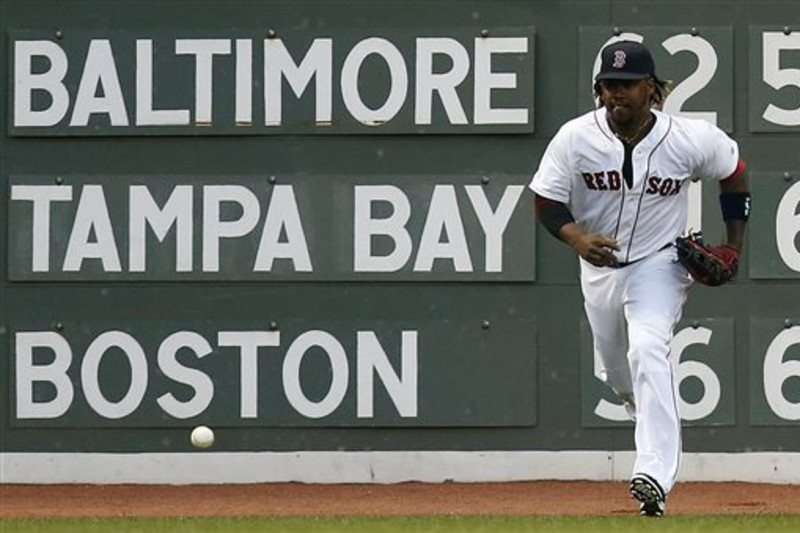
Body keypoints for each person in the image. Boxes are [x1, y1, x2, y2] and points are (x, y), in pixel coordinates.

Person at [528, 40, 750, 517]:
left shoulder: (688, 139)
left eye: (627, 84)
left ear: (652, 89)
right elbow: (545, 200)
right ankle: (641, 409)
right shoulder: (575, 137)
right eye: (608, 85)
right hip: (599, 266)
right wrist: (576, 240)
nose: (616, 94)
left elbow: (734, 172)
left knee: (648, 348)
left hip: (659, 263)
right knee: (615, 373)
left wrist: (733, 247)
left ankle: (654, 473)